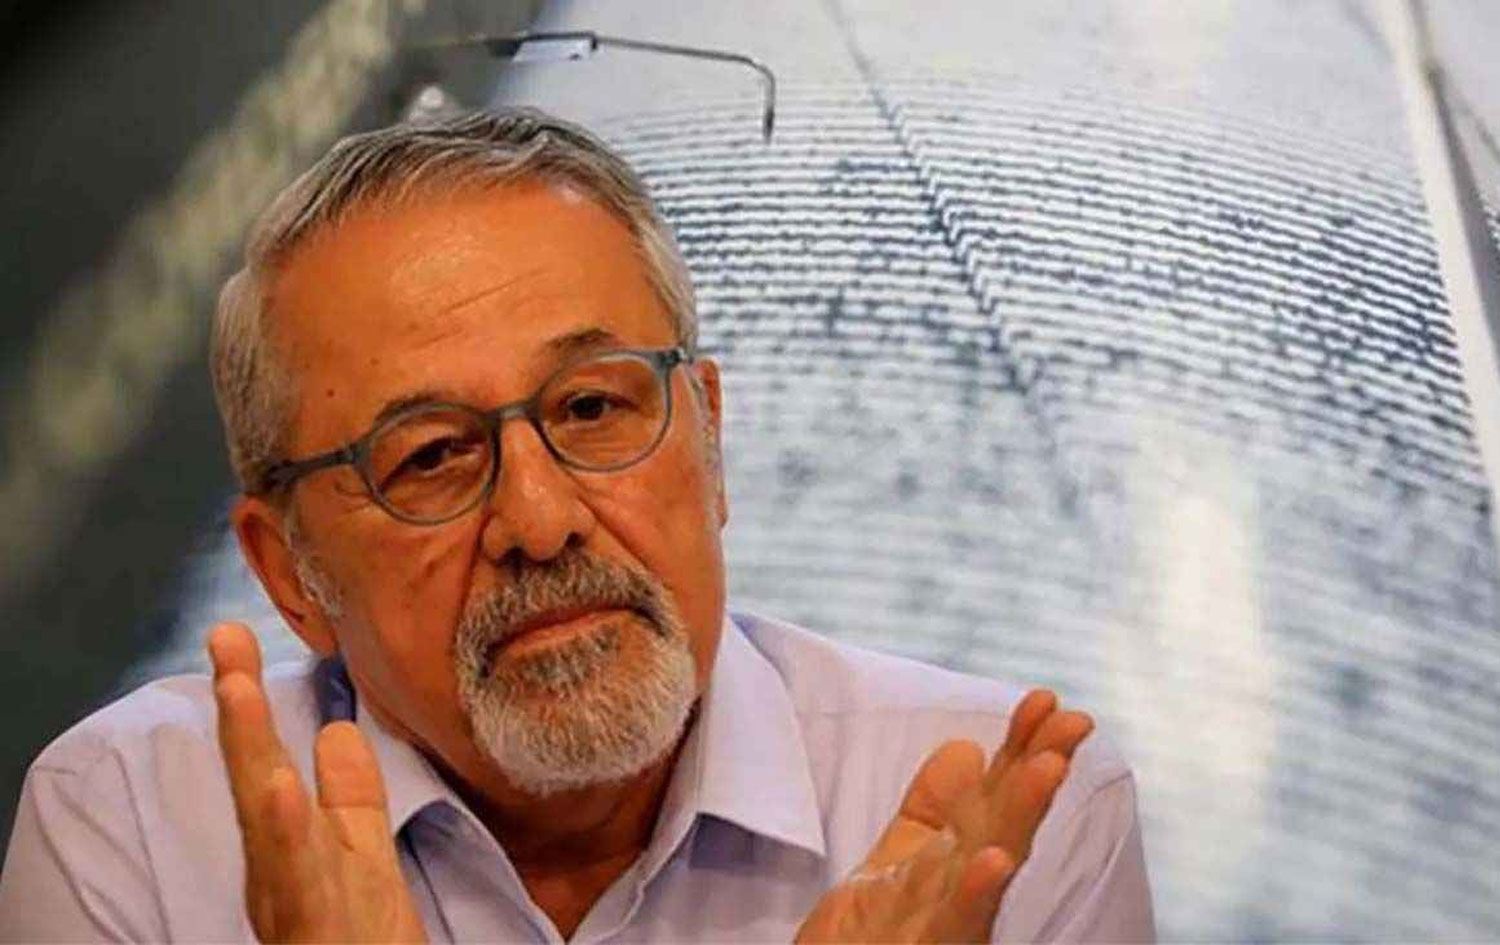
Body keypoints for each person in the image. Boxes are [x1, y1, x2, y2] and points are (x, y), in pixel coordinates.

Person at [0, 110, 1153, 943]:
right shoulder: (137, 824)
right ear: (289, 572)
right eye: (430, 457)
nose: (540, 522)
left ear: (707, 438)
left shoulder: (1005, 828)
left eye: (593, 409)